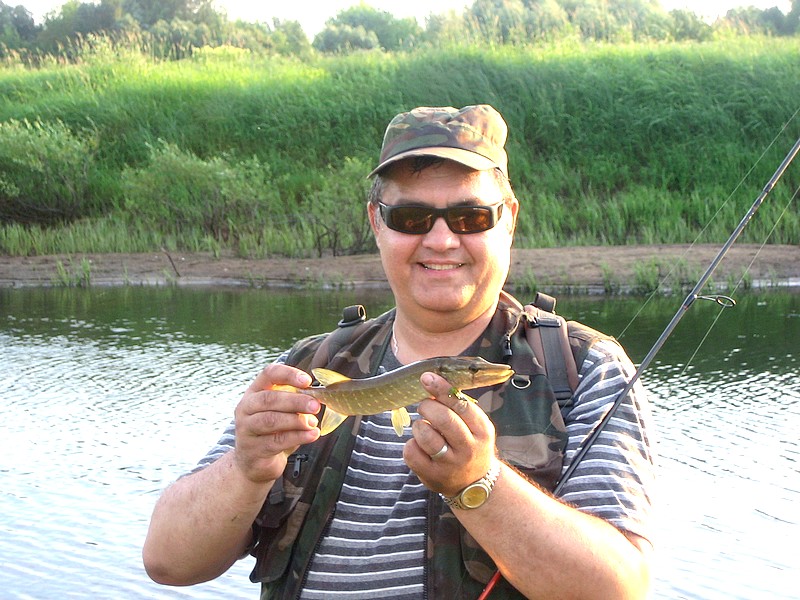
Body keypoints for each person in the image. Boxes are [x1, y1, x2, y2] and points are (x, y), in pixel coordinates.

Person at [143, 104, 656, 599]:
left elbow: (618, 589)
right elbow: (168, 561)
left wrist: (480, 484)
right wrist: (245, 467)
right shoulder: (309, 367)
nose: (441, 240)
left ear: (508, 220)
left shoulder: (582, 369)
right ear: (377, 222)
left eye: (471, 216)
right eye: (411, 217)